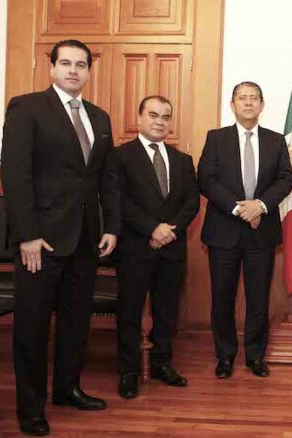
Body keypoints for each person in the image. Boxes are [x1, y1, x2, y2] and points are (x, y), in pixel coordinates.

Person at [1, 39, 119, 436]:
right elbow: (15, 175)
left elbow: (105, 179)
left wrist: (110, 226)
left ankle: (68, 389)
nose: (73, 70)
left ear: (89, 71)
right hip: (41, 242)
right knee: (32, 326)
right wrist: (27, 235)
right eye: (65, 63)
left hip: (85, 240)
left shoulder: (99, 118)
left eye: (80, 64)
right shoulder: (27, 108)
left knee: (75, 321)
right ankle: (30, 409)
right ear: (51, 68)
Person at [198, 81, 292, 379]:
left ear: (262, 105)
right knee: (222, 297)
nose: (248, 102)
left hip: (261, 231)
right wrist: (240, 209)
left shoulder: (276, 140)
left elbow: (285, 179)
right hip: (223, 230)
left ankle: (255, 356)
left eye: (254, 98)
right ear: (232, 104)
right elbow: (206, 179)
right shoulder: (216, 138)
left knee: (258, 298)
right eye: (242, 98)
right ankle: (225, 356)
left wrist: (260, 206)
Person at [107, 95, 200, 399]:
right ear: (139, 118)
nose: (160, 122)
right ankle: (128, 370)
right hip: (135, 247)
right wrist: (152, 228)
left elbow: (191, 202)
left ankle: (162, 363)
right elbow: (119, 200)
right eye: (153, 115)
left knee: (167, 310)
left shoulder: (183, 160)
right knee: (130, 310)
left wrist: (169, 230)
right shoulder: (120, 156)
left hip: (171, 247)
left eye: (165, 117)